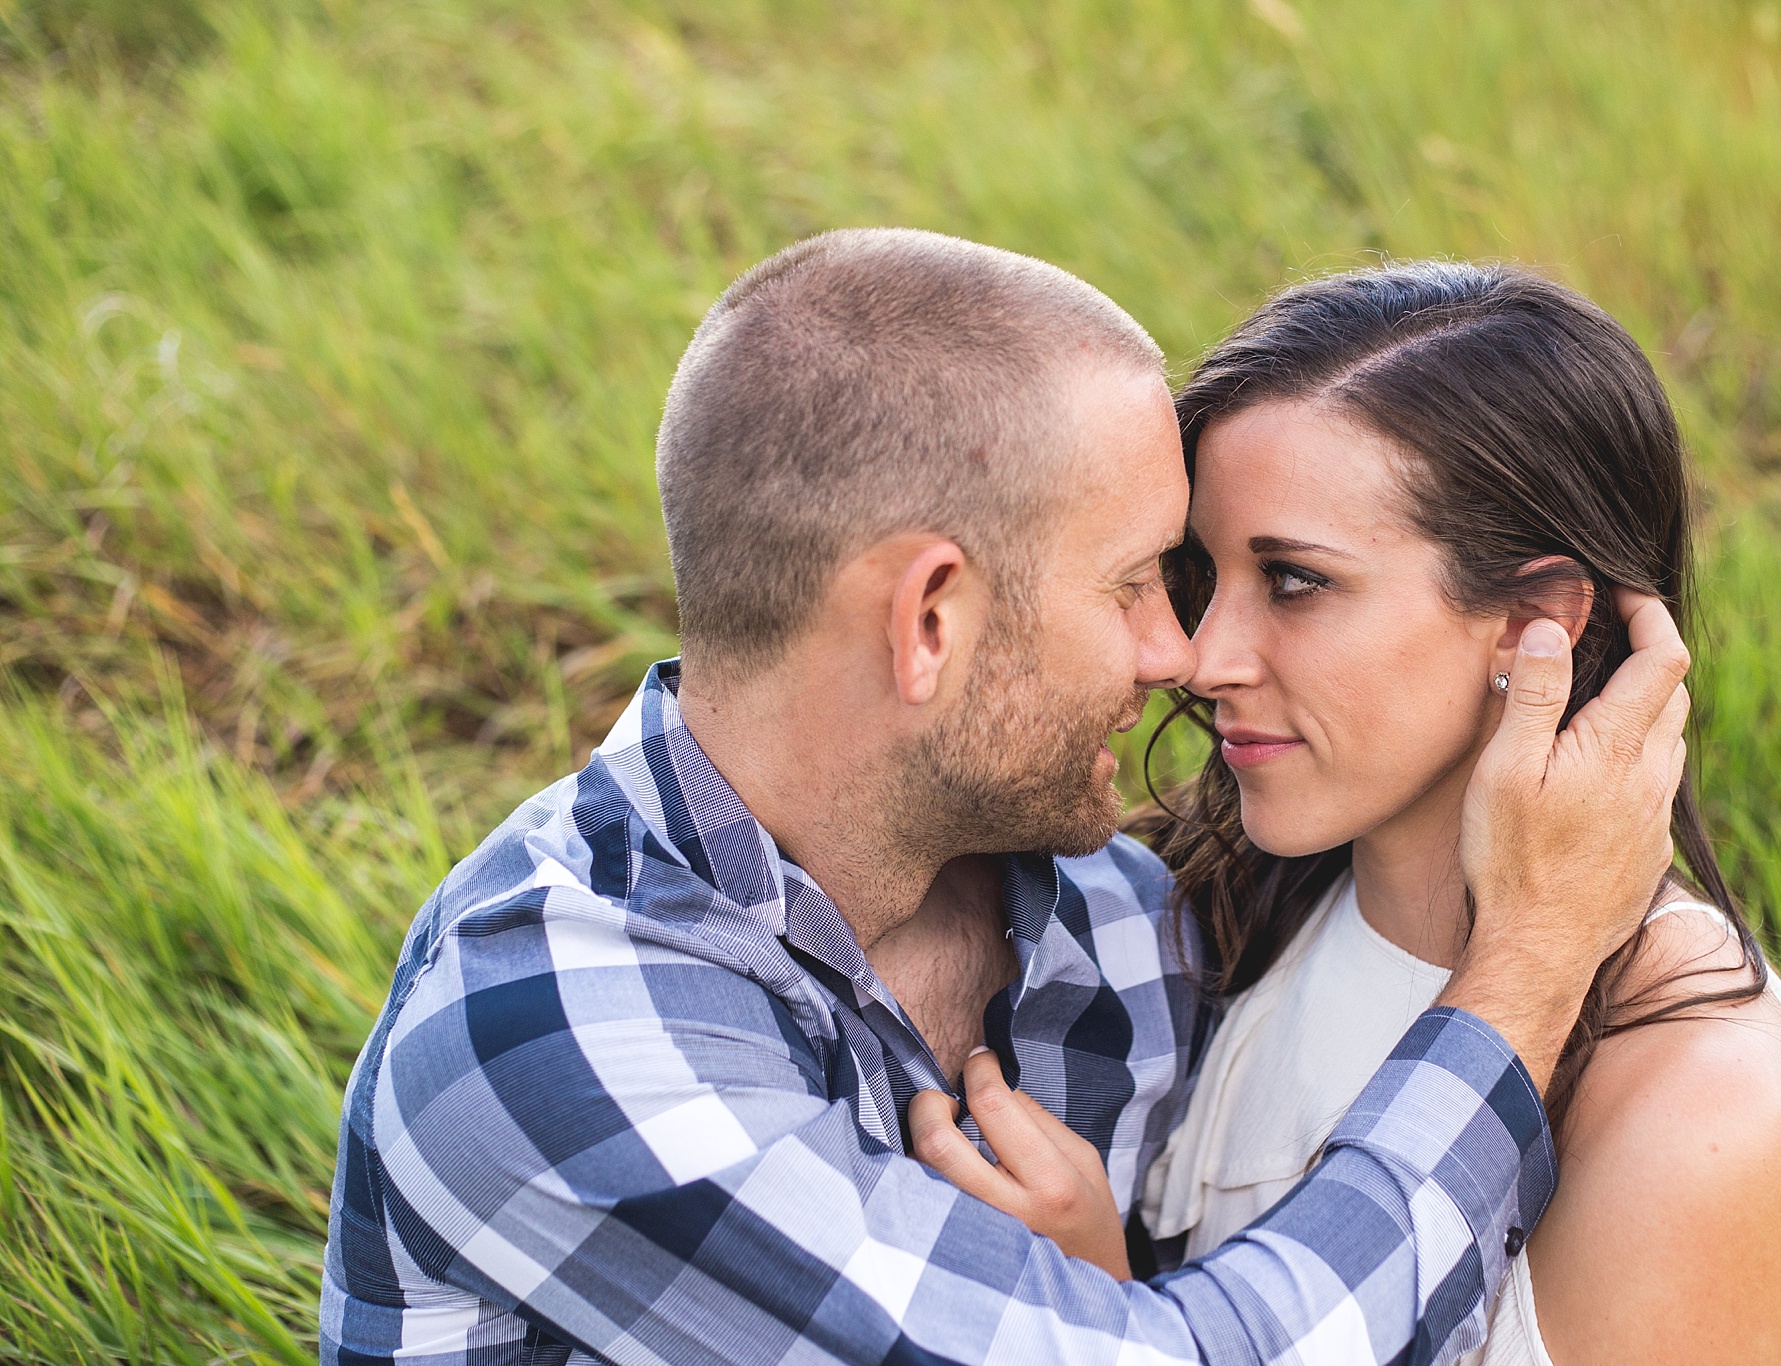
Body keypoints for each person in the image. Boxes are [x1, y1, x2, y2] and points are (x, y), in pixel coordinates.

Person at [318, 230, 1691, 1366]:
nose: (1182, 657)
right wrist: (1529, 960)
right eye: (1137, 583)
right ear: (930, 621)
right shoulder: (548, 1022)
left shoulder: (1115, 919)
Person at [1127, 263, 1781, 1365]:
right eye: (1204, 574)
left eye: (1292, 581)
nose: (1203, 655)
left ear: (1531, 622)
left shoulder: (1700, 1115)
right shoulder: (1234, 898)